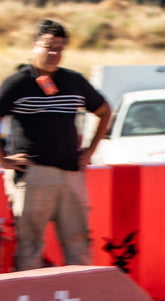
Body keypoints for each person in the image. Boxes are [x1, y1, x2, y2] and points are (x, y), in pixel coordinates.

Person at [0, 19, 112, 270]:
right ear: (34, 46)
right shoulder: (17, 83)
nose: (53, 53)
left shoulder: (74, 81)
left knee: (79, 242)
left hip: (71, 174)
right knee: (30, 245)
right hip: (33, 174)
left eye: (59, 48)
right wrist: (4, 160)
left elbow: (105, 111)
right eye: (48, 46)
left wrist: (90, 151)